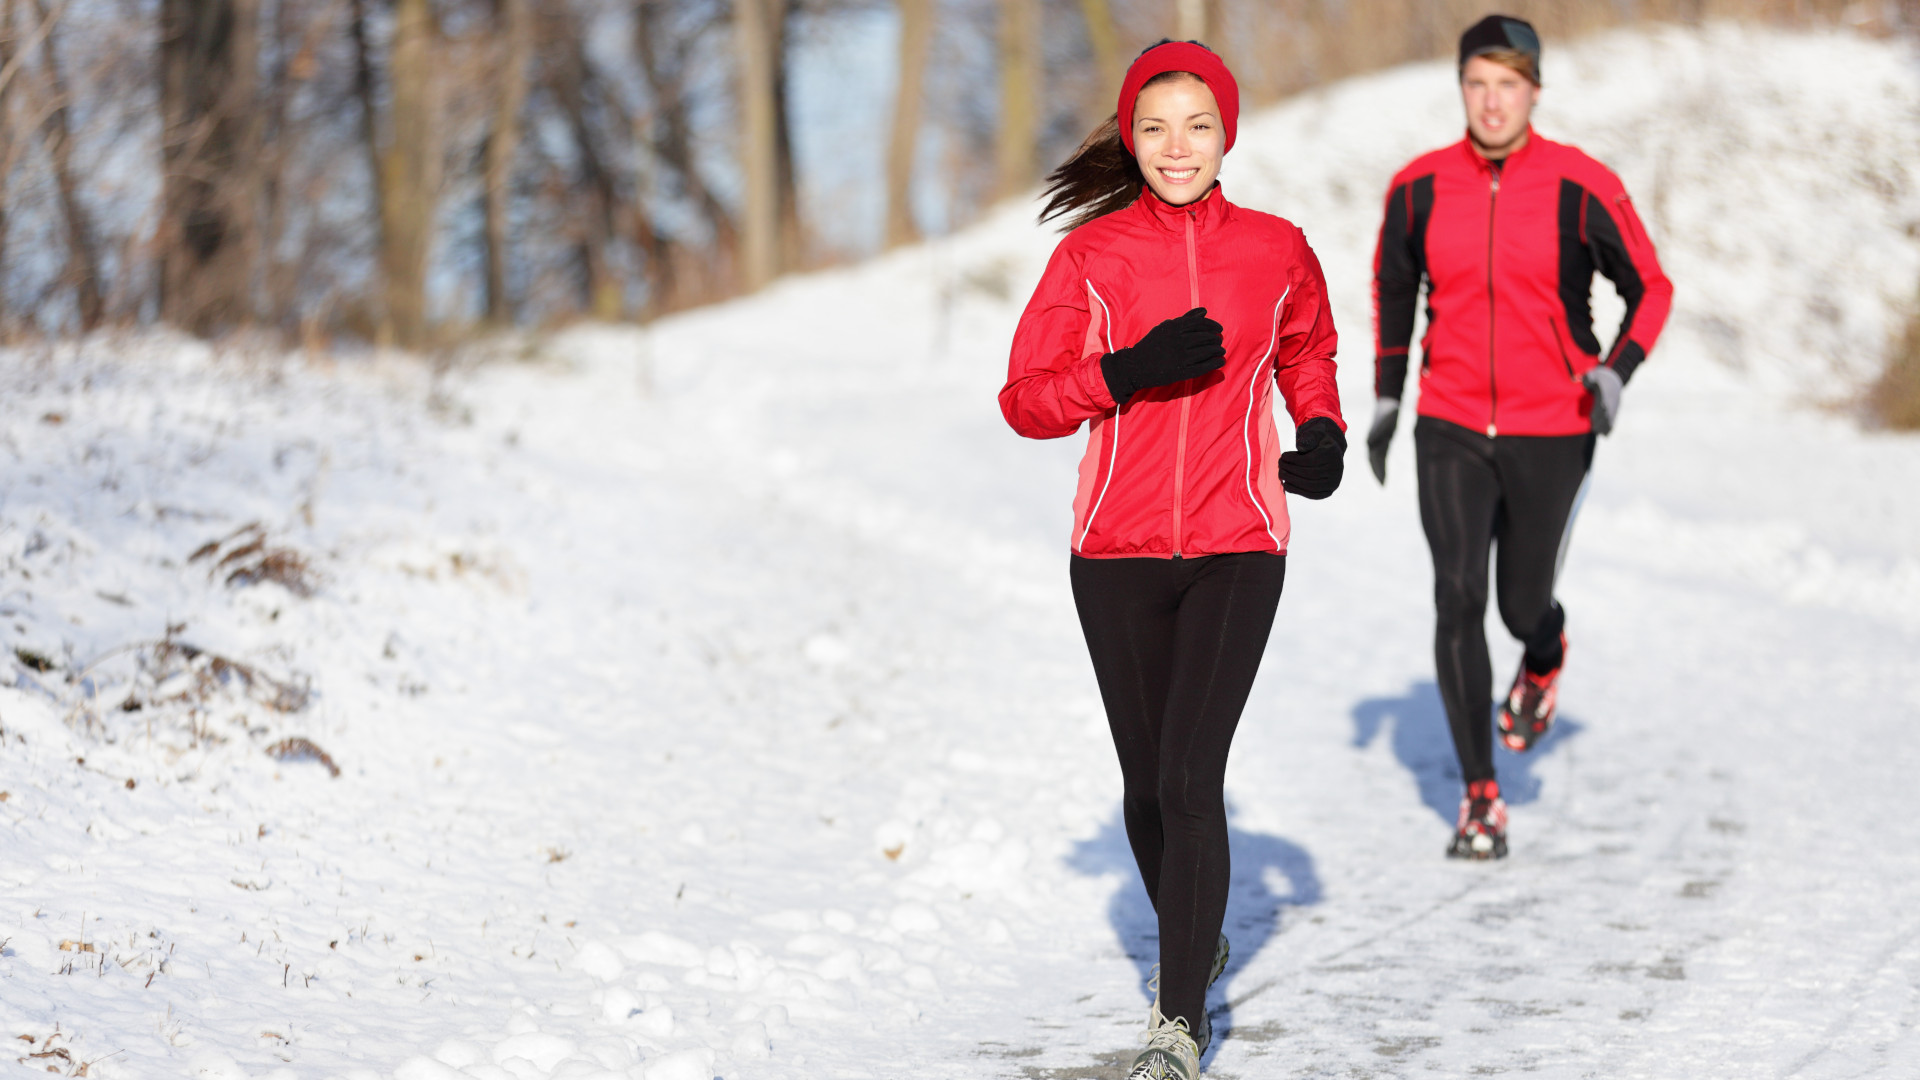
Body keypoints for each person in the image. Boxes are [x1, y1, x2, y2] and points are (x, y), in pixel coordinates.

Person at [1001, 40, 1344, 1080]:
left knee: (1194, 777)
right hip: (1115, 549)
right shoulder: (1091, 259)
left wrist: (1320, 433)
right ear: (1131, 139)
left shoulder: (1277, 248)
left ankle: (1179, 1020)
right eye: (1154, 127)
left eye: (1197, 124)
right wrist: (1127, 369)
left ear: (1227, 132)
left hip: (1240, 540)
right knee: (1147, 788)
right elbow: (1026, 400)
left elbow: (1307, 351)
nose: (1176, 146)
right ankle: (1199, 929)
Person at [1365, 15, 1672, 860]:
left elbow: (1650, 288)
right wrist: (1390, 400)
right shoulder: (1419, 188)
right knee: (1458, 596)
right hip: (1452, 422)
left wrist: (1615, 371)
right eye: (1476, 84)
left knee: (1518, 603)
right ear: (1461, 89)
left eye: (1507, 84)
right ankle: (1480, 795)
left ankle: (1542, 652)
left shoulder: (1582, 186)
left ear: (1535, 89)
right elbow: (1394, 290)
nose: (1491, 102)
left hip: (1553, 426)